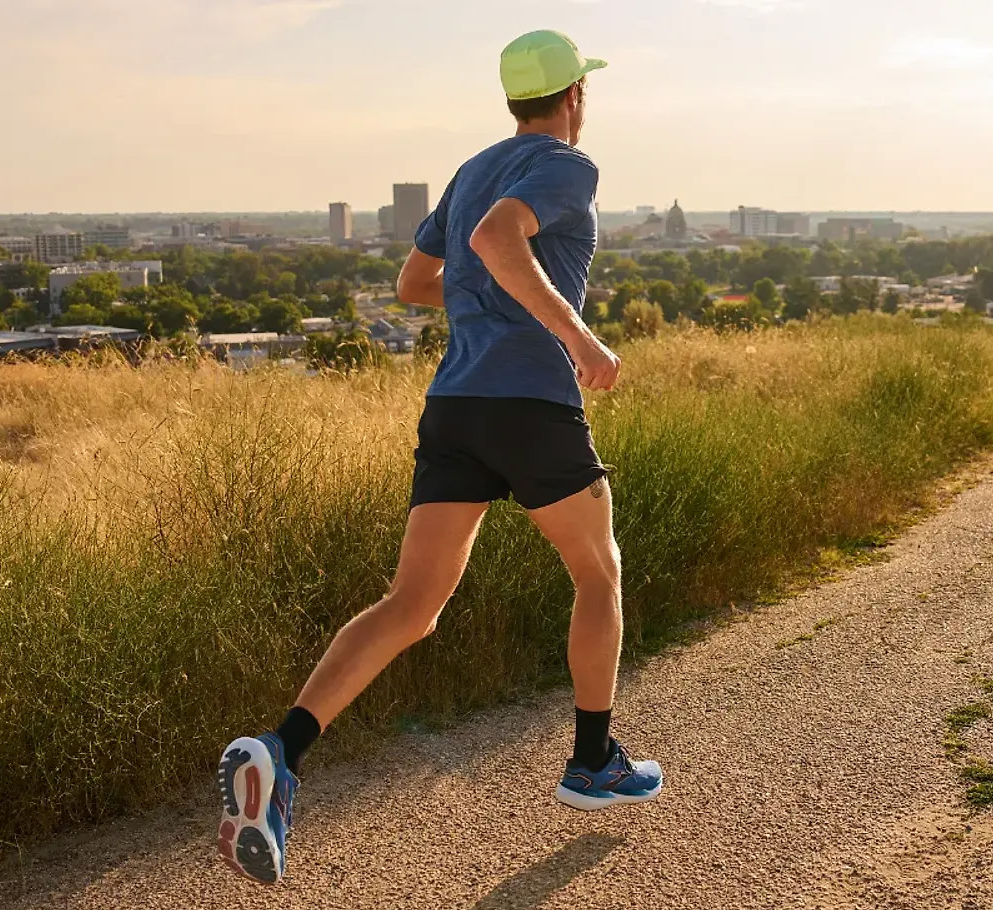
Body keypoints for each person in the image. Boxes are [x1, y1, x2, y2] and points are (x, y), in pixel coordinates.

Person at [212, 29, 661, 885]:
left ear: (513, 98)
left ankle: (281, 751)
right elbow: (497, 238)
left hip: (456, 407)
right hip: (531, 403)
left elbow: (415, 282)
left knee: (412, 605)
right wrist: (577, 336)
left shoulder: (472, 168)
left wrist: (487, 297)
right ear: (575, 95)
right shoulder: (567, 166)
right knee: (598, 572)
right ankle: (592, 763)